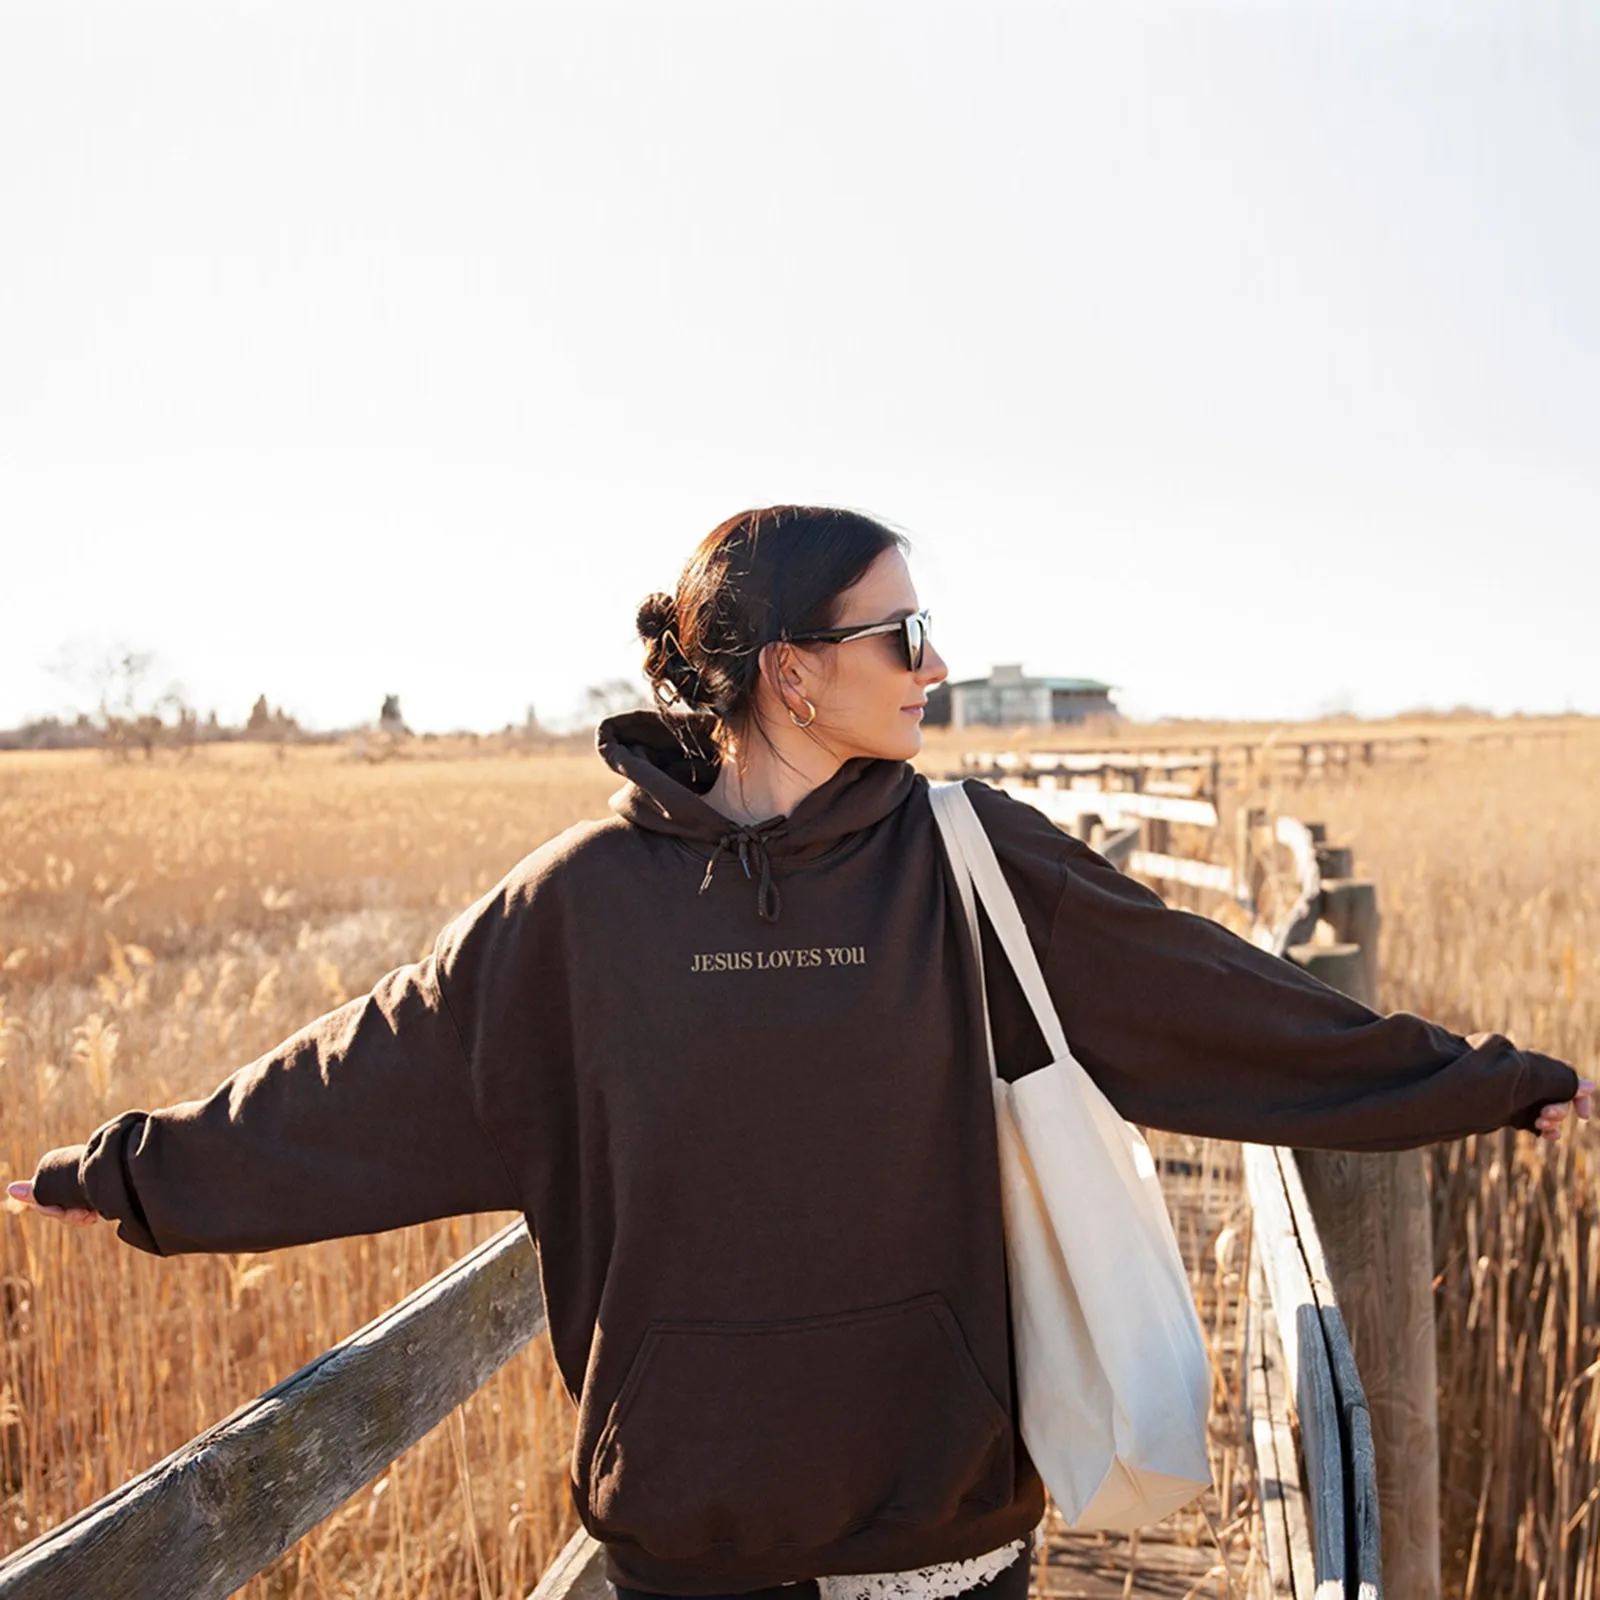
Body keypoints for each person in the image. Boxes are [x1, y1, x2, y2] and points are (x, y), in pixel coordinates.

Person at [11, 504, 1592, 1600]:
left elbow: (1225, 1005)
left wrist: (1491, 1081)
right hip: (686, 1531)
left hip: (935, 1517)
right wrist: (131, 1178)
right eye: (901, 633)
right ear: (789, 668)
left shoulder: (972, 857)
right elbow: (356, 1083)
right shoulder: (577, 910)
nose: (933, 667)